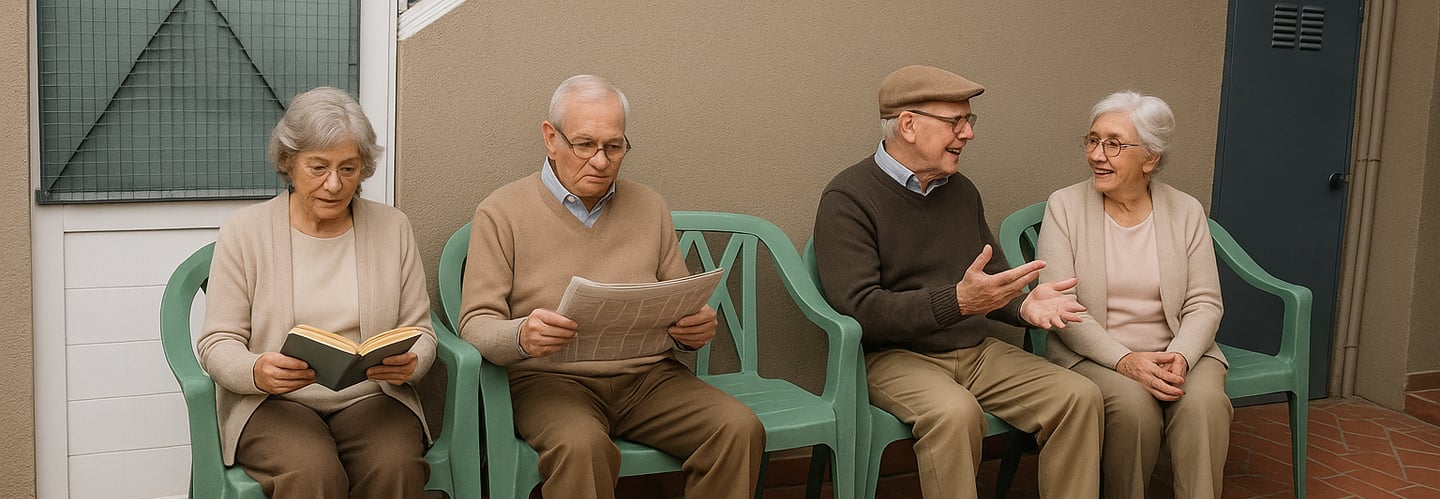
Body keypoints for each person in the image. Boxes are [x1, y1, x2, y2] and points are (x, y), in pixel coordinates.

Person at [457, 74, 765, 499]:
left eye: (614, 146)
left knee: (738, 428)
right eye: (585, 145)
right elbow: (474, 324)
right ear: (550, 138)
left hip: (651, 378)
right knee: (581, 446)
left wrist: (695, 330)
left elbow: (681, 301)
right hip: (550, 381)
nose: (600, 161)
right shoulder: (501, 212)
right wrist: (522, 334)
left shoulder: (649, 205)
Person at [813, 64, 1103, 499]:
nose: (967, 133)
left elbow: (987, 283)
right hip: (891, 357)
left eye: (969, 121)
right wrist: (958, 302)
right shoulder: (848, 198)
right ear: (908, 125)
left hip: (976, 350)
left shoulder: (961, 190)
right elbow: (861, 310)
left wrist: (1022, 305)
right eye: (955, 121)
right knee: (955, 413)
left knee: (1079, 397)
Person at [196, 87, 436, 498]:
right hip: (273, 402)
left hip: (371, 397)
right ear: (288, 163)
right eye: (318, 167)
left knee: (396, 465)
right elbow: (217, 342)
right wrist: (256, 371)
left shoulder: (392, 228)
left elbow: (421, 330)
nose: (334, 184)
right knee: (313, 474)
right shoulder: (244, 232)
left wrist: (411, 364)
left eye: (348, 168)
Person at [1035, 91, 1231, 498]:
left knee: (1205, 406)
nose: (1096, 155)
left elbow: (1204, 302)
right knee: (1134, 409)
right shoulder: (1065, 207)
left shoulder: (1186, 211)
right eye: (1092, 140)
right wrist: (1125, 361)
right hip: (1097, 356)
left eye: (1113, 144)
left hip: (1180, 352)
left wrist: (1181, 356)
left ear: (1151, 158)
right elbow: (1059, 306)